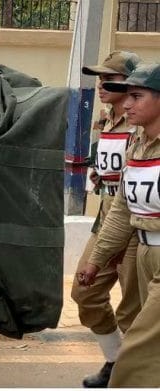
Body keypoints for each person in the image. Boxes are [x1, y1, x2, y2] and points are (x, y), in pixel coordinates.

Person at [79, 62, 160, 387]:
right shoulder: (139, 143)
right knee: (132, 321)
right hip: (142, 249)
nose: (127, 105)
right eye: (126, 96)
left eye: (136, 96)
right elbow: (121, 209)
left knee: (137, 353)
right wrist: (97, 259)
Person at [71, 51, 142, 388]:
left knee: (135, 312)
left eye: (109, 79)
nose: (101, 85)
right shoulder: (105, 120)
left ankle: (131, 373)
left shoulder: (142, 124)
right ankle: (115, 358)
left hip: (136, 226)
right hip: (106, 218)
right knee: (85, 294)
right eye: (99, 79)